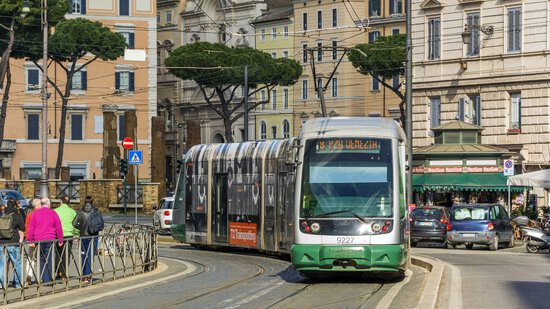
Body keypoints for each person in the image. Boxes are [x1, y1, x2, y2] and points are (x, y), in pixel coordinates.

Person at [27, 197, 63, 284]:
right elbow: (58, 227)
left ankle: (43, 277)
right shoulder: (53, 213)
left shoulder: (35, 214)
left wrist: (30, 240)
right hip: (50, 238)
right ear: (49, 204)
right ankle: (48, 279)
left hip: (38, 239)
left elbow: (31, 227)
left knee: (41, 258)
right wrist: (60, 239)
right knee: (49, 258)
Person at [73, 196, 104, 283]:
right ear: (92, 201)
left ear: (84, 201)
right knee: (90, 255)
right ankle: (88, 274)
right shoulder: (97, 211)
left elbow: (74, 223)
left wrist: (81, 227)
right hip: (93, 236)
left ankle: (84, 275)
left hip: (83, 236)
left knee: (83, 255)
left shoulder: (80, 211)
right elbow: (101, 224)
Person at [0, 199, 25, 289]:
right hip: (13, 242)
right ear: (15, 206)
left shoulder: (2, 215)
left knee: (2, 264)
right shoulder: (17, 216)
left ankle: (2, 284)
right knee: (17, 263)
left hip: (2, 243)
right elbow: (23, 227)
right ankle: (18, 284)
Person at [54, 196, 77, 280]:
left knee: (58, 254)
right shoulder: (73, 212)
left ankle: (58, 271)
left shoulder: (55, 211)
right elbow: (76, 224)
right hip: (69, 235)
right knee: (66, 255)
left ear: (61, 202)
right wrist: (76, 233)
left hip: (58, 235)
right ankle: (64, 274)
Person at [24, 198, 41, 285]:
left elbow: (27, 228)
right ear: (38, 205)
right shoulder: (42, 214)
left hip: (32, 239)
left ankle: (29, 275)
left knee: (30, 258)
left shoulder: (29, 215)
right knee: (42, 258)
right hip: (41, 239)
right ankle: (42, 276)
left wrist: (29, 239)